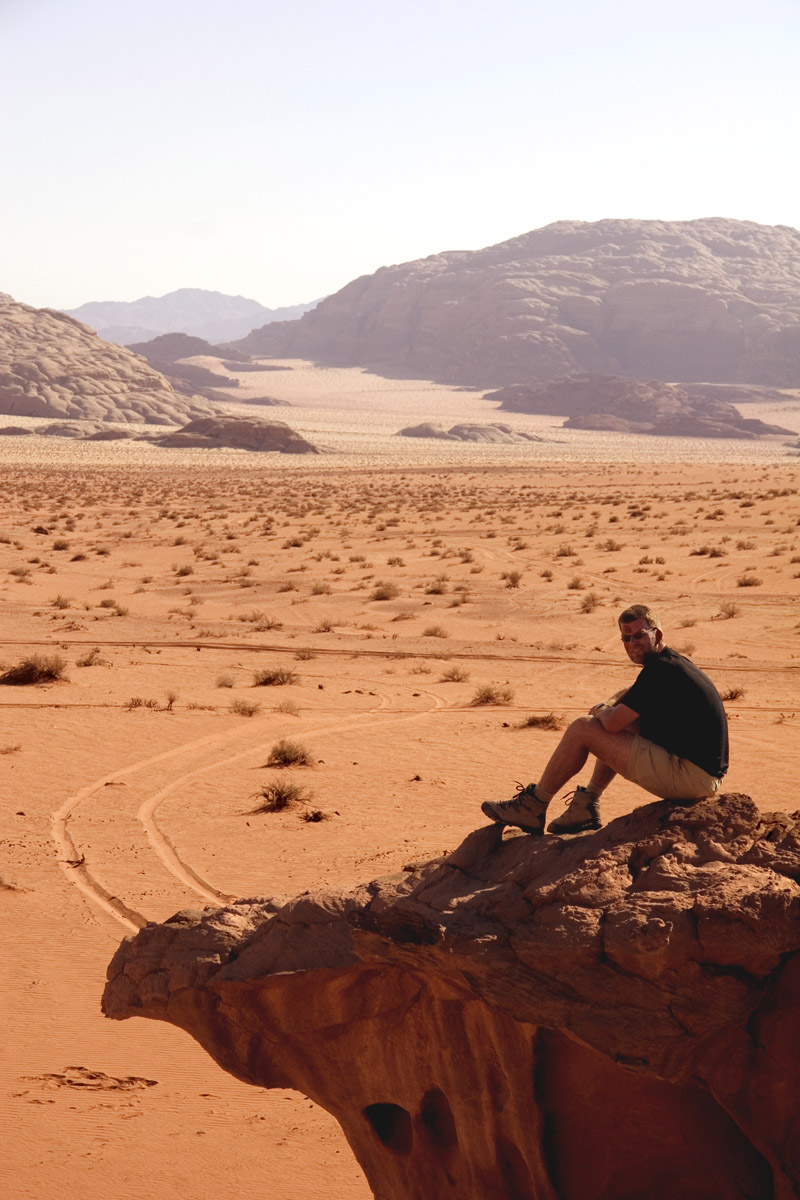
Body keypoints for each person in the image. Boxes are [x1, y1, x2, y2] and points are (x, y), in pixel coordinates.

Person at [481, 603, 728, 835]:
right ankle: (587, 804)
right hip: (699, 774)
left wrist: (600, 709)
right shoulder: (671, 664)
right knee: (619, 716)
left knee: (583, 728)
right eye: (626, 638)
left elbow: (611, 723)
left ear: (658, 634)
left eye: (639, 635)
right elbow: (624, 719)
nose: (632, 644)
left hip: (691, 776)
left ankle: (533, 806)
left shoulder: (660, 671)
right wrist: (612, 709)